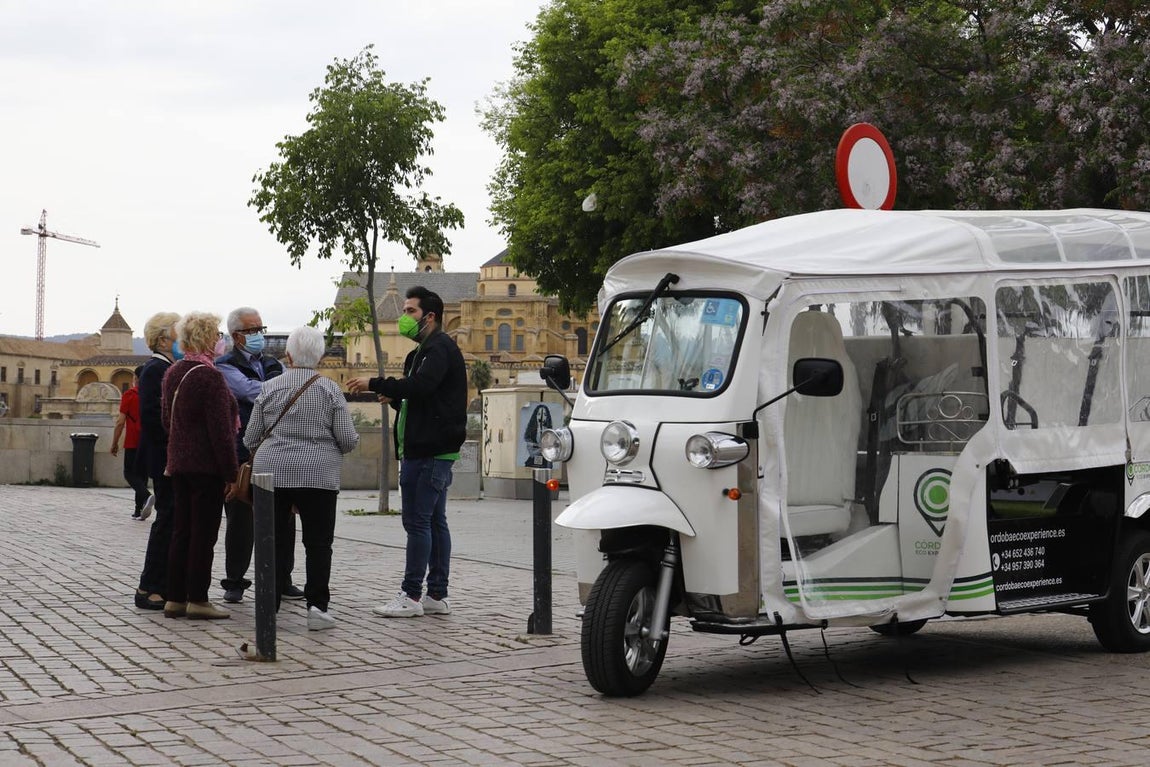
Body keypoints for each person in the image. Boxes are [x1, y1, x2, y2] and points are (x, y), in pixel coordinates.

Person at [348, 286, 467, 618]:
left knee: (417, 522)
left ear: (430, 317)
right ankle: (436, 595)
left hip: (429, 452)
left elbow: (422, 387)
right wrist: (396, 397)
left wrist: (377, 383)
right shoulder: (422, 353)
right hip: (426, 449)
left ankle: (411, 595)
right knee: (434, 522)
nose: (403, 317)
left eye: (410, 311)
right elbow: (422, 400)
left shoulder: (439, 349)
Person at [244, 326, 359, 630]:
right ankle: (317, 608)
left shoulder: (269, 387)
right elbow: (347, 439)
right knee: (318, 544)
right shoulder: (330, 389)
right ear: (319, 356)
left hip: (270, 475)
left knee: (271, 541)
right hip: (318, 476)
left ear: (289, 355)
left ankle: (268, 606)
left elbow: (250, 437)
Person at [214, 306, 301, 604]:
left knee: (285, 519)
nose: (258, 335)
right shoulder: (225, 365)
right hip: (243, 452)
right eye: (252, 330)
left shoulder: (272, 363)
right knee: (240, 520)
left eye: (260, 329)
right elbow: (251, 392)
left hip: (277, 450)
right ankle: (235, 581)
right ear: (236, 335)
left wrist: (280, 388)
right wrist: (282, 388)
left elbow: (278, 392)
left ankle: (283, 579)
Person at [161, 312, 239, 620]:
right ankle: (198, 599)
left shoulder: (174, 371)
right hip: (206, 467)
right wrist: (231, 473)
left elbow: (166, 419)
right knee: (203, 535)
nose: (221, 340)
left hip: (179, 463)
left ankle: (175, 598)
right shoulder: (210, 376)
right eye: (217, 334)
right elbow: (221, 432)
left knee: (182, 531)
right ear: (206, 338)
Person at [133, 312, 181, 611]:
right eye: (178, 333)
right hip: (163, 457)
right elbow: (152, 417)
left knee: (172, 519)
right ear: (163, 340)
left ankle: (163, 584)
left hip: (168, 456)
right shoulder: (155, 370)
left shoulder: (166, 368)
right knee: (166, 519)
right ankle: (148, 586)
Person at [111, 366, 154, 520]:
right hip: (149, 441)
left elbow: (120, 422)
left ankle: (146, 496)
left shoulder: (129, 395)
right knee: (142, 475)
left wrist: (114, 443)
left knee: (129, 473)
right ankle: (139, 509)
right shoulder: (152, 394)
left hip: (133, 441)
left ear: (135, 378)